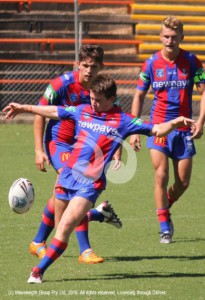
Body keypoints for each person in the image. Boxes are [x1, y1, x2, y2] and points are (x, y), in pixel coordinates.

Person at [3, 74, 196, 283]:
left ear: (112, 99)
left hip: (89, 184)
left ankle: (37, 271)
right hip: (67, 176)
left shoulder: (123, 121)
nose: (93, 103)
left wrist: (175, 123)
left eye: (98, 100)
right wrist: (25, 108)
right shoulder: (83, 110)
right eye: (91, 98)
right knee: (61, 224)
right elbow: (53, 111)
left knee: (66, 226)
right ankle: (99, 214)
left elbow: (156, 129)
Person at [30, 44, 122, 264]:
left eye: (94, 66)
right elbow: (40, 113)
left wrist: (117, 151)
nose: (89, 70)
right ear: (77, 64)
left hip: (84, 148)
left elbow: (116, 121)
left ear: (101, 66)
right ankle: (85, 250)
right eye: (85, 65)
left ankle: (38, 242)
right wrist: (38, 150)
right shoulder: (61, 85)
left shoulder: (104, 90)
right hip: (59, 144)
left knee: (61, 197)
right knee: (77, 187)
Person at [129, 16, 205, 244]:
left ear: (182, 37)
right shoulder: (151, 63)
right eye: (166, 36)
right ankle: (164, 227)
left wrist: (200, 121)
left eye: (174, 37)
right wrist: (134, 130)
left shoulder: (193, 62)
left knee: (183, 182)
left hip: (183, 128)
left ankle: (166, 205)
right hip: (159, 128)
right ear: (160, 37)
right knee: (161, 174)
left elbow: (204, 92)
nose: (170, 40)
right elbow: (139, 95)